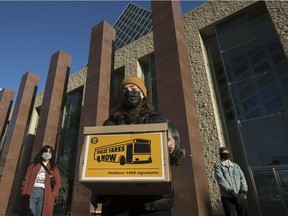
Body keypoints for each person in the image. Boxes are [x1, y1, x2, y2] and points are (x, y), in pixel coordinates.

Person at [92, 76, 185, 216]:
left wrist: (173, 147)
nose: (129, 92)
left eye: (134, 89)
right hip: (117, 200)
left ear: (143, 94)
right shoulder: (110, 123)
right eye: (125, 90)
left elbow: (180, 157)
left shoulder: (160, 120)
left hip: (153, 201)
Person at [19, 145, 61, 216]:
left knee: (40, 214)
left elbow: (58, 183)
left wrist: (53, 194)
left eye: (49, 152)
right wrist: (23, 192)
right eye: (46, 151)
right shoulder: (33, 165)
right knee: (29, 213)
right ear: (41, 153)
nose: (47, 154)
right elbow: (26, 180)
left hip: (44, 193)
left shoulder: (53, 168)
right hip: (31, 192)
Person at [214, 147, 248, 216]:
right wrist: (231, 191)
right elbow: (221, 180)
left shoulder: (236, 166)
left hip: (241, 196)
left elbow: (242, 178)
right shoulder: (218, 166)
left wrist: (243, 191)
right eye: (223, 152)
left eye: (227, 152)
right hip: (227, 197)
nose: (225, 154)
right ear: (220, 154)